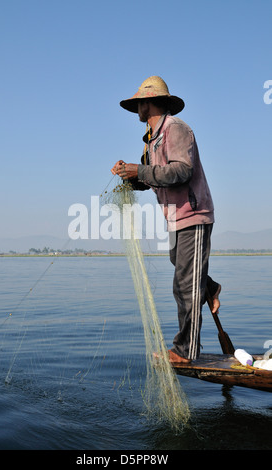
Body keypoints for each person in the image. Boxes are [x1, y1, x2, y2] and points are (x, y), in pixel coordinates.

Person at [111, 76, 221, 363]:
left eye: (140, 103)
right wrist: (129, 175)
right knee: (182, 270)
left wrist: (141, 171)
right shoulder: (151, 140)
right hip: (174, 219)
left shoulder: (176, 129)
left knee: (185, 285)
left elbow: (181, 171)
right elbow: (148, 180)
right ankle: (209, 286)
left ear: (150, 103)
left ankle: (185, 352)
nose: (138, 109)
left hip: (194, 215)